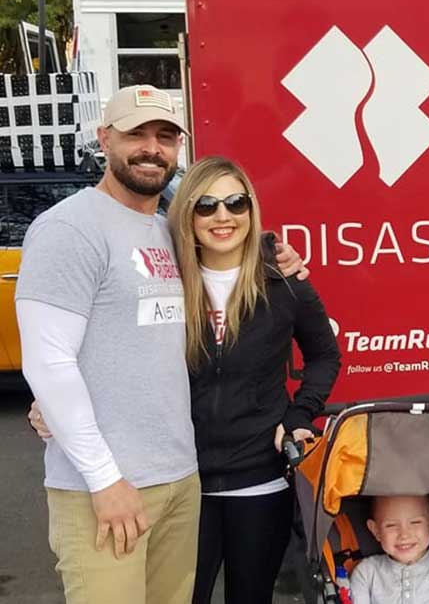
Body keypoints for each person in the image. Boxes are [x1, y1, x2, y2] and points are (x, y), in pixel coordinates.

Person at [16, 84, 306, 604]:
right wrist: (104, 479)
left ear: (178, 149)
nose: (152, 148)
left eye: (166, 136)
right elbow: (49, 362)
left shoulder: (166, 232)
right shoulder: (68, 228)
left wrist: (278, 257)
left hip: (181, 480)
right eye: (136, 134)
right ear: (104, 139)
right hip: (106, 488)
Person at [166, 156, 340, 604]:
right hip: (182, 482)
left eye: (235, 203)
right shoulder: (163, 280)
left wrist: (301, 413)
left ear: (250, 210)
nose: (222, 216)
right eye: (206, 205)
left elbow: (324, 354)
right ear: (188, 212)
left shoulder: (283, 282)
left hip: (261, 480)